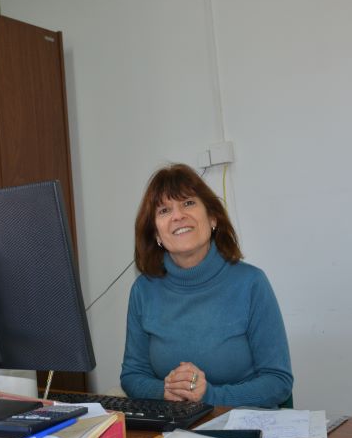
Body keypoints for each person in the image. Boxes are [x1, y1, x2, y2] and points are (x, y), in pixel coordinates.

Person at [120, 163, 293, 407]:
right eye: (164, 210)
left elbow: (278, 381)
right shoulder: (143, 290)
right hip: (174, 425)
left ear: (212, 218)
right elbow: (132, 375)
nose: (178, 216)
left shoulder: (251, 283)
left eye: (188, 203)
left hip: (243, 424)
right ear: (156, 234)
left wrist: (209, 396)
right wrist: (166, 390)